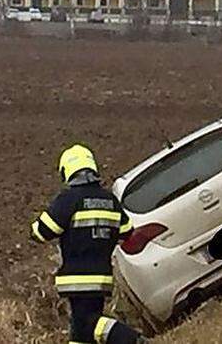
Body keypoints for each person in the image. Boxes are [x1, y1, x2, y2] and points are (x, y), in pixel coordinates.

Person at [30, 145, 144, 344]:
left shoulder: (68, 199)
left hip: (76, 277)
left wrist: (34, 228)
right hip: (102, 277)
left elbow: (43, 232)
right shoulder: (110, 200)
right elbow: (127, 232)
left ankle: (133, 340)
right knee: (81, 334)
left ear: (67, 171)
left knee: (88, 324)